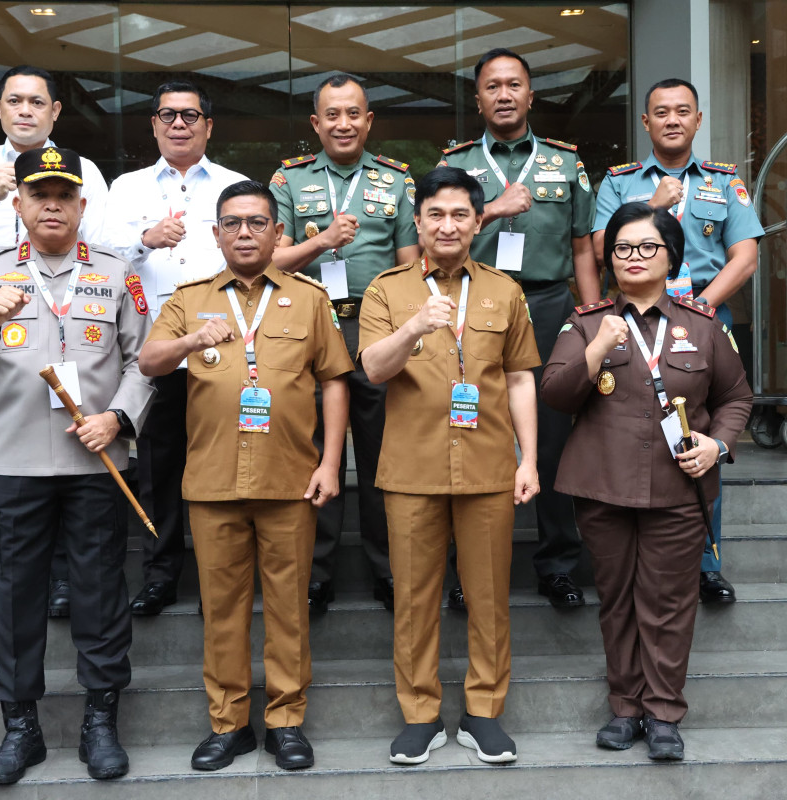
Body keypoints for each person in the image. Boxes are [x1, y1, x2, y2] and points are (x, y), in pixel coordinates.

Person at [0, 147, 154, 784]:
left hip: (97, 462)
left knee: (100, 591)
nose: (52, 206)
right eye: (40, 195)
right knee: (16, 596)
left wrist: (118, 418)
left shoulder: (116, 273)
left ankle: (101, 721)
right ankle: (20, 728)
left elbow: (144, 363)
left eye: (64, 196)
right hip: (19, 463)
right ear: (19, 204)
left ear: (82, 206)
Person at [139, 180, 352, 772]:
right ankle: (228, 724)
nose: (245, 233)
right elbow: (149, 361)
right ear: (216, 234)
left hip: (290, 480)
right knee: (222, 610)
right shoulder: (189, 299)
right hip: (213, 481)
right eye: (232, 223)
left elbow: (334, 381)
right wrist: (190, 339)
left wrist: (331, 463)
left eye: (258, 223)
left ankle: (286, 722)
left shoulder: (309, 299)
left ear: (278, 233)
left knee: (288, 608)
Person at [542, 202, 752, 761]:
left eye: (647, 247)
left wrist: (717, 445)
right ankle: (624, 707)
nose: (633, 256)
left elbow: (736, 398)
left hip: (678, 488)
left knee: (669, 602)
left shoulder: (702, 325)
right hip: (603, 487)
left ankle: (662, 713)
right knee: (616, 600)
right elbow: (555, 394)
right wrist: (597, 349)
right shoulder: (586, 322)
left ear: (671, 256)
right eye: (622, 248)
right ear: (609, 259)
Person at [359, 166, 541, 766]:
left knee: (489, 596)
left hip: (488, 465)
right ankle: (420, 715)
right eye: (435, 214)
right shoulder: (387, 290)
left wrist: (528, 458)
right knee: (414, 599)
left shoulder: (504, 291)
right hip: (411, 469)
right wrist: (415, 325)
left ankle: (484, 712)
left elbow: (519, 378)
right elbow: (373, 368)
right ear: (417, 223)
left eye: (460, 214)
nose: (447, 225)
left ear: (478, 221)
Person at [0, 65, 108, 621]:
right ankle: (4, 579)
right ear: (0, 108)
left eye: (37, 102)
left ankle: (63, 579)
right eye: (15, 101)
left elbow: (100, 245)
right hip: (2, 326)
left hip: (72, 326)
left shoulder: (82, 169)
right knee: (9, 457)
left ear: (55, 112)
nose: (25, 110)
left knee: (70, 448)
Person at [590, 78, 763, 604]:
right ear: (645, 122)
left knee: (702, 435)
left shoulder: (723, 182)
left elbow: (745, 257)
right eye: (661, 112)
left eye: (682, 111)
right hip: (632, 319)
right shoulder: (619, 182)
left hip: (703, 318)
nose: (672, 120)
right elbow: (600, 249)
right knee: (630, 430)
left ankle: (707, 561)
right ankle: (627, 555)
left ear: (698, 120)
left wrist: (700, 308)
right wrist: (654, 203)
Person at [437, 48, 599, 610]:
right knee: (470, 430)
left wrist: (592, 317)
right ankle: (468, 571)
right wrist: (494, 209)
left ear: (531, 95)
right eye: (492, 86)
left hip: (549, 304)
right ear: (478, 98)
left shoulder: (565, 162)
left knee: (552, 437)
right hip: (473, 302)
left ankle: (558, 565)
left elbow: (584, 248)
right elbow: (438, 236)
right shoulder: (455, 165)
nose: (503, 95)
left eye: (513, 85)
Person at [269, 73, 421, 613]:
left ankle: (390, 570)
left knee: (385, 455)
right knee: (312, 453)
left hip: (377, 330)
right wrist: (324, 241)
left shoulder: (397, 180)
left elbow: (410, 266)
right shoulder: (289, 180)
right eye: (332, 114)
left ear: (369, 120)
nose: (343, 123)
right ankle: (316, 575)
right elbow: (270, 260)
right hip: (310, 328)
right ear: (316, 123)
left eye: (353, 113)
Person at [102, 80, 248, 617]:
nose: (179, 124)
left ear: (208, 125)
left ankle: (223, 577)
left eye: (190, 115)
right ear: (154, 124)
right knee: (158, 468)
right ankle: (161, 575)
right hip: (155, 351)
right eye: (168, 115)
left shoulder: (234, 185)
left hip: (224, 350)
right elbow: (98, 253)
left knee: (226, 465)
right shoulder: (127, 188)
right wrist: (144, 239)